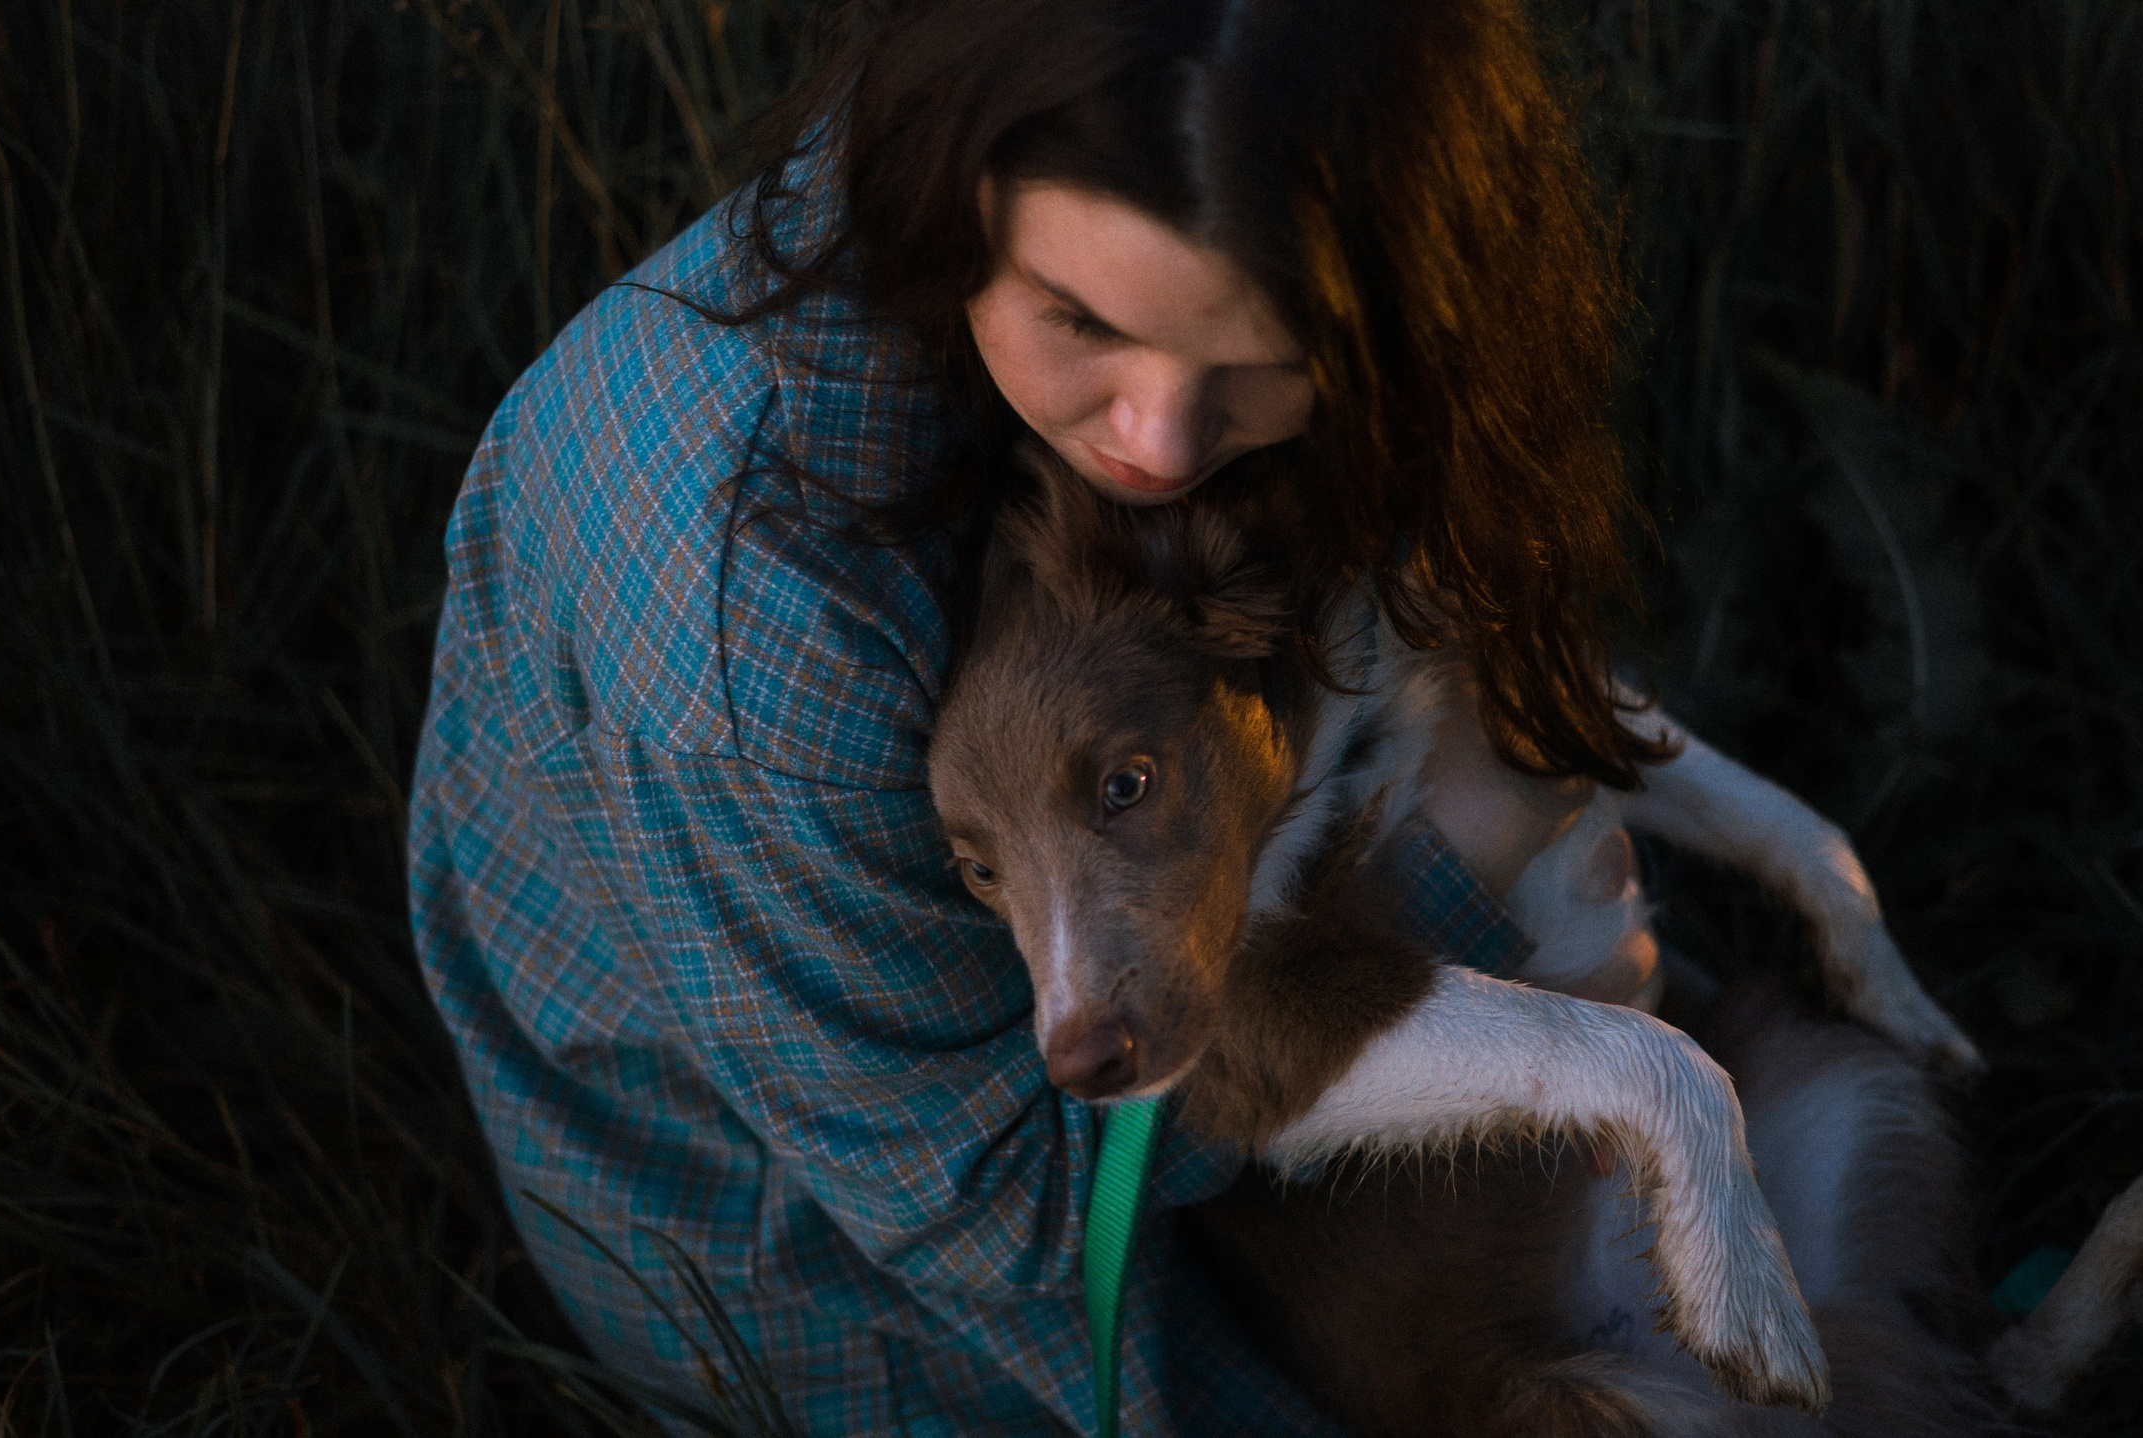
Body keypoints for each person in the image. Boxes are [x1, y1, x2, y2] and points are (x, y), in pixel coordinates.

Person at [406, 0, 1664, 1431]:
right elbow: (996, 1217)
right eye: (1085, 323)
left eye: (1268, 356)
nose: (1162, 442)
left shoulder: (1132, 197)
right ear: (966, 171)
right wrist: (1456, 876)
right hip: (899, 1302)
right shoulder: (753, 609)